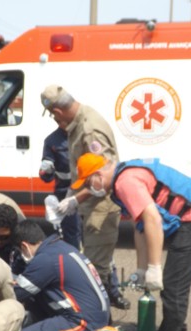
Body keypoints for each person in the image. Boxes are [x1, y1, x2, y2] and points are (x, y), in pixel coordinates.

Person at [71, 153, 191, 331]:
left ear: (98, 174)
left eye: (88, 182)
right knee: (174, 286)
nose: (89, 188)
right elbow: (140, 226)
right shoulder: (123, 178)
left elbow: (153, 220)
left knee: (173, 287)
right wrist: (142, 268)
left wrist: (154, 267)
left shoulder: (125, 182)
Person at [41, 84, 130, 310]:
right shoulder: (79, 123)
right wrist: (69, 198)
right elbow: (84, 173)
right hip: (91, 205)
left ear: (58, 112)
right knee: (93, 267)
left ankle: (98, 328)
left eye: (52, 115)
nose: (54, 119)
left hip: (101, 208)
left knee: (94, 273)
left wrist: (73, 201)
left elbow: (103, 179)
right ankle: (99, 320)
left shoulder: (89, 130)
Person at [13, 220, 109, 331]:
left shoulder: (45, 259)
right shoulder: (61, 247)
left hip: (83, 323)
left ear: (24, 246)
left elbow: (17, 293)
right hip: (96, 317)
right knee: (38, 296)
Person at [39, 127, 82, 249]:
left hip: (86, 191)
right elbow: (46, 177)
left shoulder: (83, 134)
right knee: (71, 235)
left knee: (91, 232)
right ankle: (74, 262)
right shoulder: (52, 140)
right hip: (65, 194)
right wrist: (46, 170)